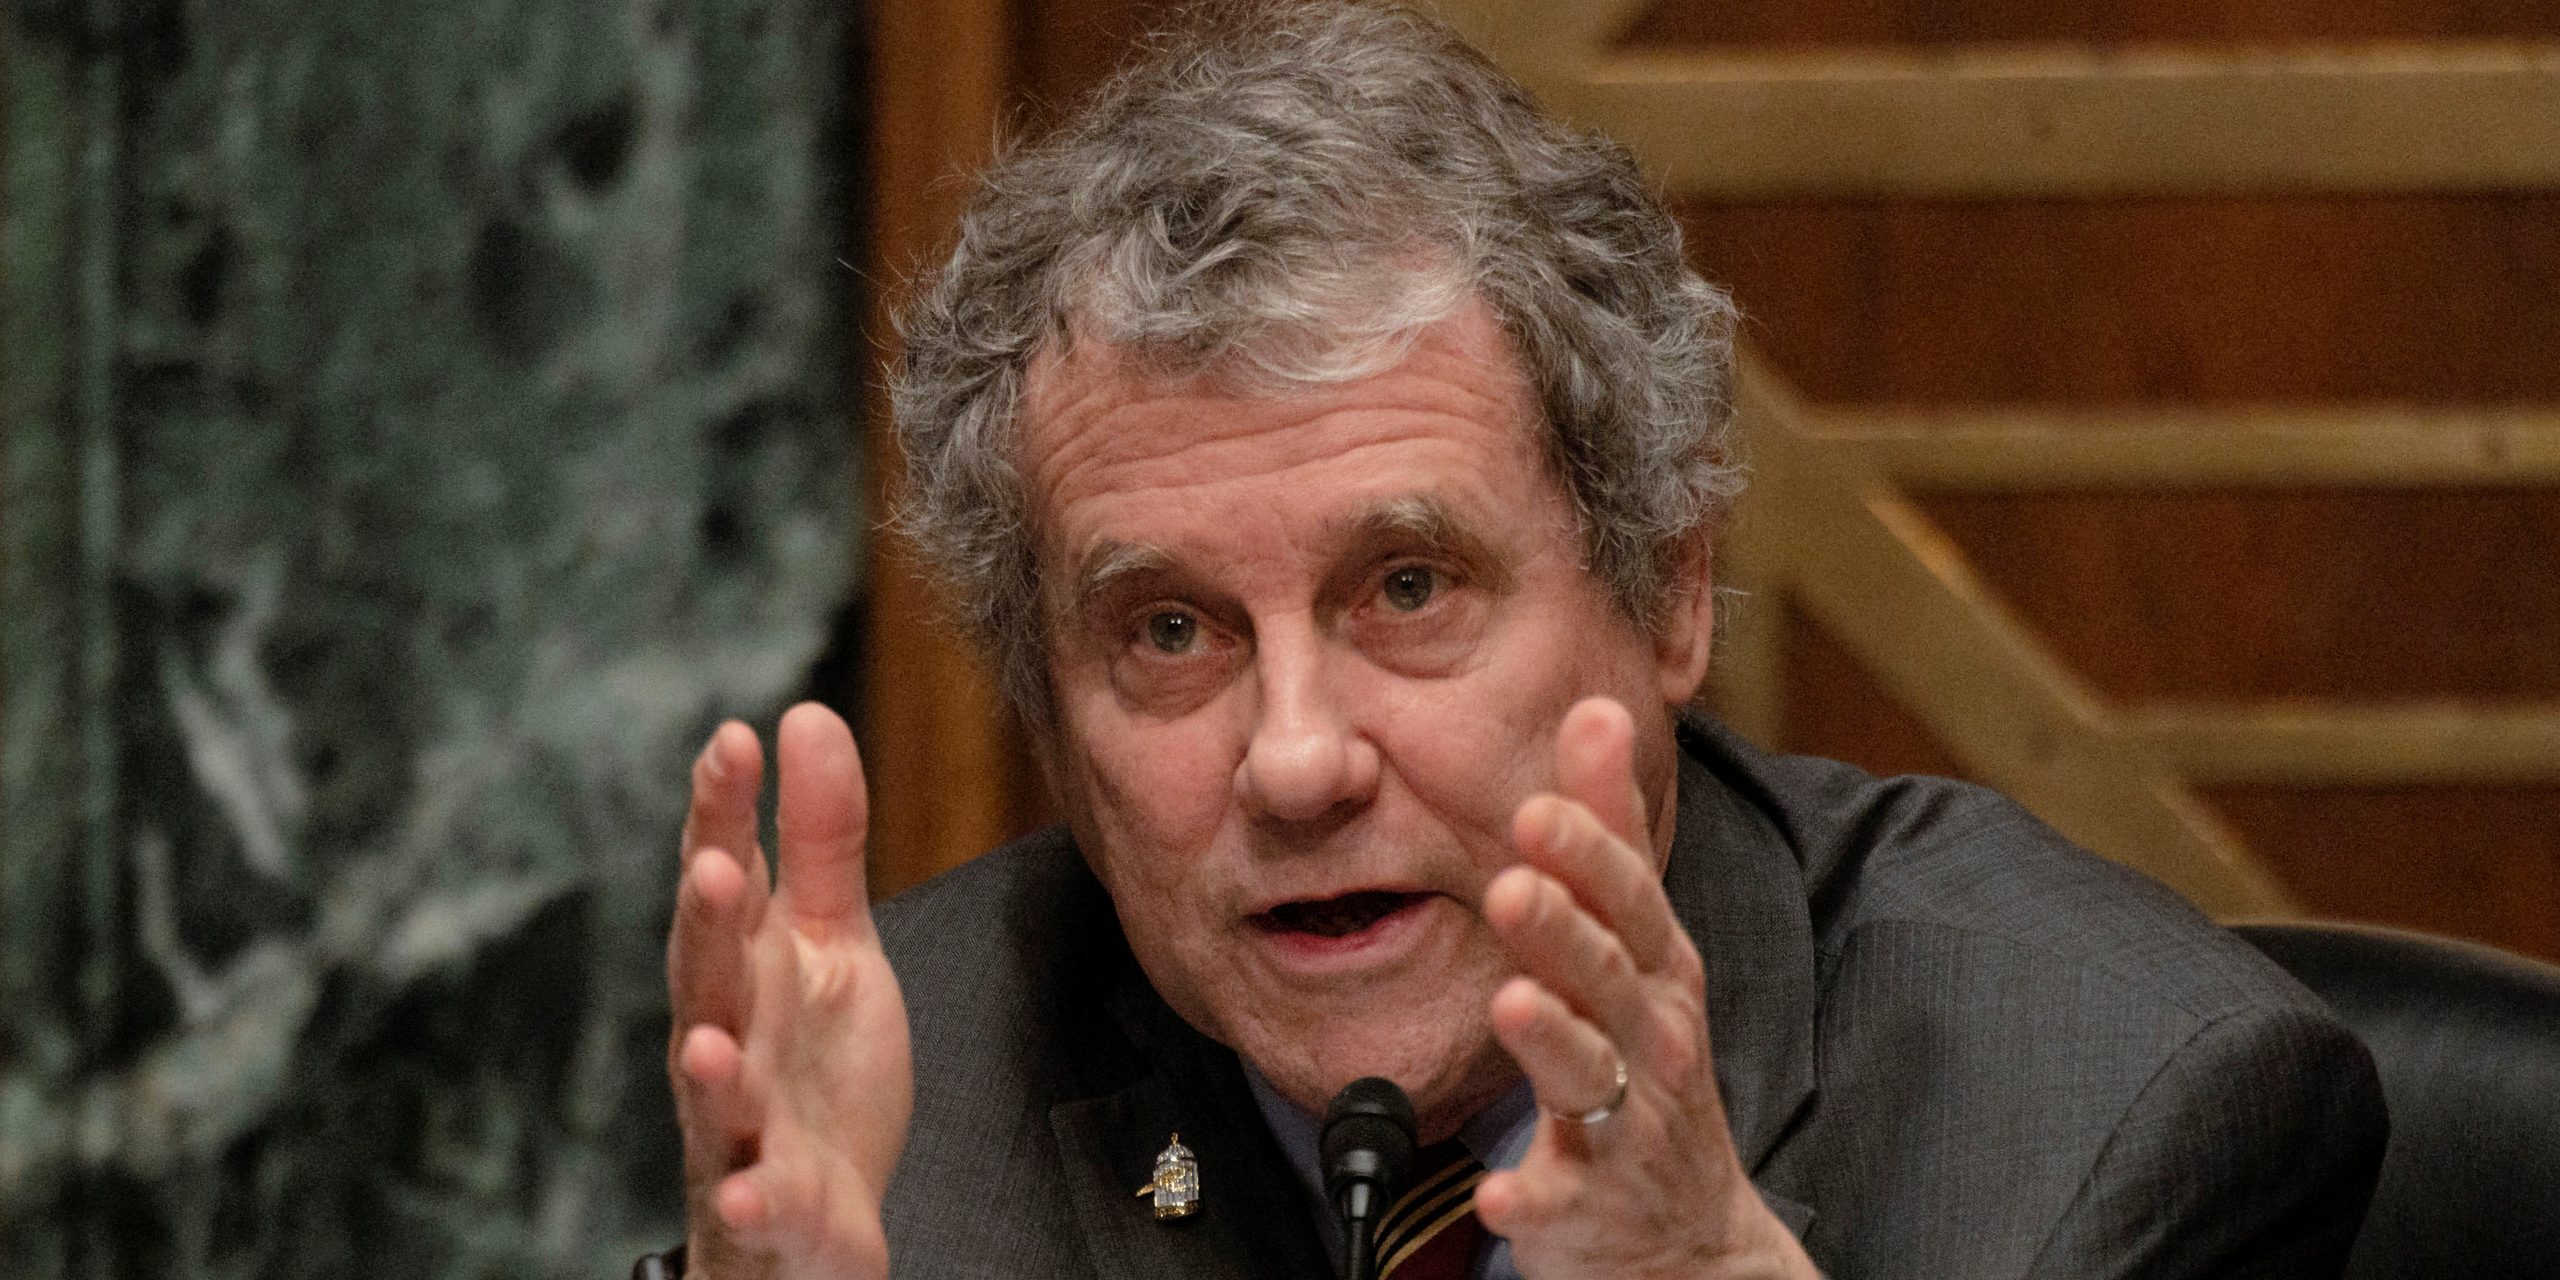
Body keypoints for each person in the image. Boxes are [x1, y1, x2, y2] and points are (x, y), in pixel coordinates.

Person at [652, 5, 2387, 1277]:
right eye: (1170, 631)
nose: (1300, 760)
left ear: (1669, 591)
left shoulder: (2113, 1122)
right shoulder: (898, 1118)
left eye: (1407, 589)